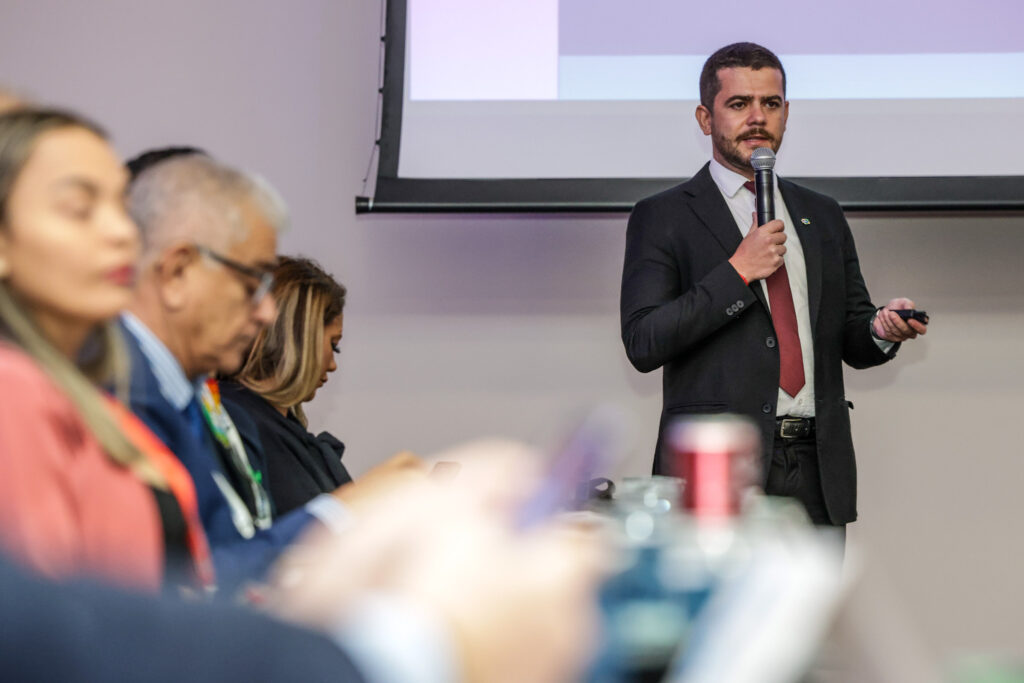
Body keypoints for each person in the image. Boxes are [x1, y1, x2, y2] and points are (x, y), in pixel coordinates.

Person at [619, 43, 927, 528]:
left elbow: (850, 332)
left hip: (816, 468)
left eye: (771, 104)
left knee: (817, 606)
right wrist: (738, 271)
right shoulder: (664, 216)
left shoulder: (822, 214)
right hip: (717, 473)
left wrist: (882, 330)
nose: (757, 118)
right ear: (705, 118)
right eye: (739, 104)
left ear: (787, 113)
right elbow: (644, 341)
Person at [0, 108, 211, 590]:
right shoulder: (11, 389)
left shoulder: (79, 392)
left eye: (122, 207)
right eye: (79, 208)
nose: (121, 233)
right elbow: (44, 634)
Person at [219, 256, 419, 515]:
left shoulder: (282, 430)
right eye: (332, 344)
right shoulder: (241, 426)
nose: (333, 364)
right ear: (300, 338)